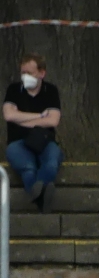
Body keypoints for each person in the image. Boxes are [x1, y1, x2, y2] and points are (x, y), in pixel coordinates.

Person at [4, 56, 61, 211]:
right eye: (23, 73)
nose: (25, 77)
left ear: (42, 73)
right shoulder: (14, 90)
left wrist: (21, 119)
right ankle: (42, 201)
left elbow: (53, 120)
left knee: (51, 163)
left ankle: (38, 196)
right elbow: (9, 115)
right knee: (28, 168)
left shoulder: (51, 91)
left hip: (44, 140)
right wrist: (40, 116)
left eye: (29, 73)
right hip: (18, 141)